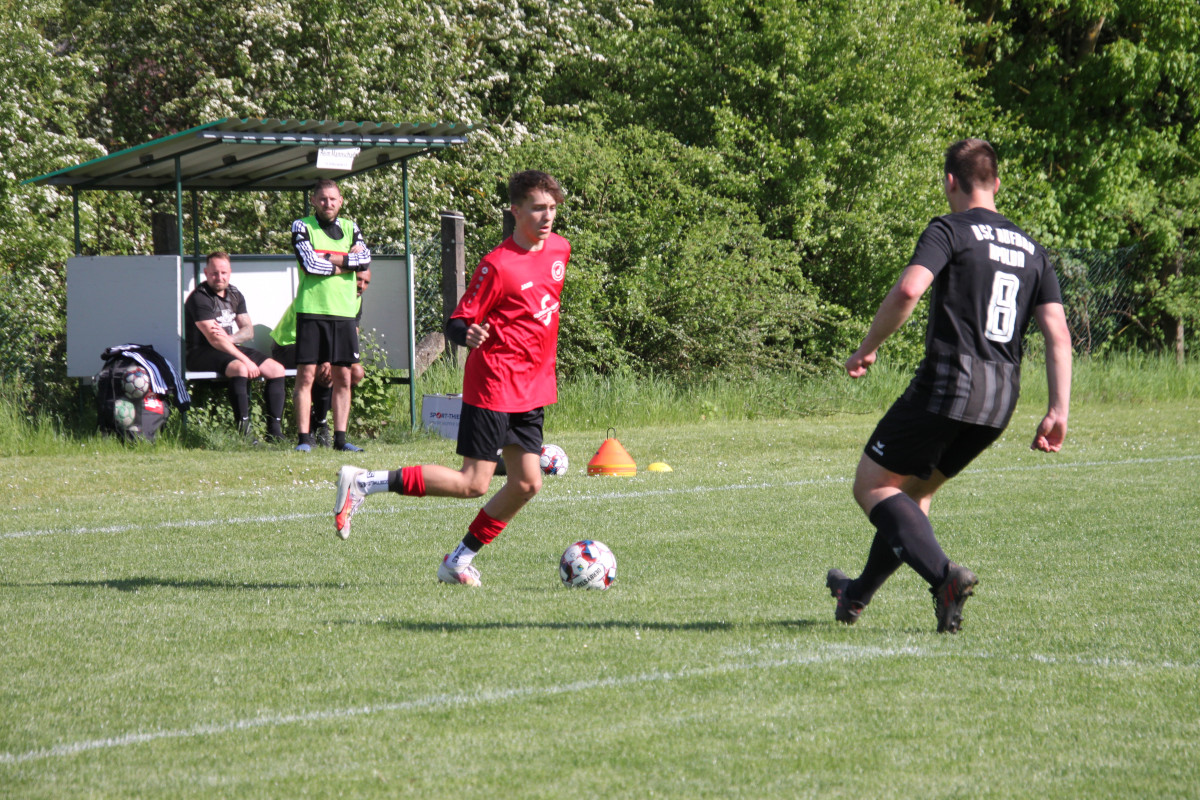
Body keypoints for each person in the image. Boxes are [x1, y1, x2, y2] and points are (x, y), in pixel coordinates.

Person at [827, 138, 1072, 633]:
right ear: (997, 183)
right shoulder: (1032, 250)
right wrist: (1058, 409)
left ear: (950, 182)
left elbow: (910, 288)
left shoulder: (950, 230)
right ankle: (855, 595)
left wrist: (868, 346)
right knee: (914, 498)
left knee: (872, 486)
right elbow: (1058, 335)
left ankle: (945, 577)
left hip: (950, 384)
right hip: (1000, 400)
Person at [332, 170, 569, 586]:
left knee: (528, 484)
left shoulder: (560, 250)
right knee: (472, 483)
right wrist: (470, 333)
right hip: (494, 384)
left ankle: (457, 561)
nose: (547, 216)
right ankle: (364, 481)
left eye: (552, 208)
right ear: (515, 211)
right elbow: (457, 321)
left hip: (532, 389)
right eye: (537, 208)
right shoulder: (497, 264)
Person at [291, 178, 372, 452]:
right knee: (306, 376)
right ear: (314, 201)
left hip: (344, 313)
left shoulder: (351, 227)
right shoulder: (302, 225)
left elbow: (364, 261)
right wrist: (345, 262)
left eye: (333, 199)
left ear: (341, 201)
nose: (328, 203)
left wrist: (329, 257)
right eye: (323, 199)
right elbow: (310, 264)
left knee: (344, 377)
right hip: (312, 310)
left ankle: (340, 439)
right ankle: (304, 439)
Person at [184, 251, 287, 442]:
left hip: (227, 347)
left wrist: (229, 339)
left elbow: (248, 331)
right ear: (206, 273)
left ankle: (274, 431)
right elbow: (214, 340)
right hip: (199, 352)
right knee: (240, 368)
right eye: (214, 273)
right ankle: (244, 432)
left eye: (223, 272)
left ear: (230, 272)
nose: (219, 277)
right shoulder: (200, 297)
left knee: (277, 369)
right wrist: (245, 360)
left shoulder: (234, 293)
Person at [271, 268, 371, 446]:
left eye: (366, 282)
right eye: (358, 279)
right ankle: (318, 425)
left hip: (321, 347)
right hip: (289, 344)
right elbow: (317, 332)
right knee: (324, 371)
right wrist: (327, 359)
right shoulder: (328, 294)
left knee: (355, 372)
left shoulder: (356, 300)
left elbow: (350, 334)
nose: (361, 286)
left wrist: (343, 362)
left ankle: (319, 417)